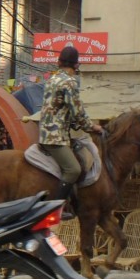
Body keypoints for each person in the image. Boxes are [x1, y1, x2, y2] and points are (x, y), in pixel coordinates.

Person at [38, 45, 103, 220]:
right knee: (73, 170)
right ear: (76, 65)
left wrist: (76, 124)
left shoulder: (53, 79)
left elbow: (63, 109)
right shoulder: (70, 82)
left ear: (60, 62)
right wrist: (92, 127)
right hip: (55, 137)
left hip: (48, 132)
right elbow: (77, 111)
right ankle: (55, 210)